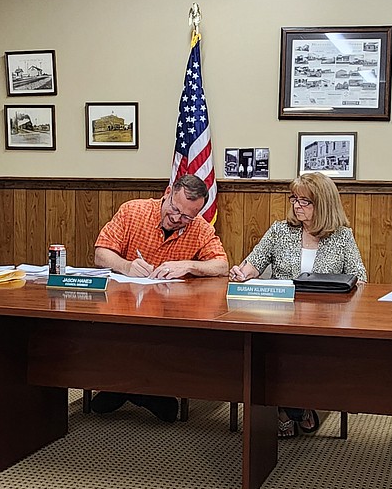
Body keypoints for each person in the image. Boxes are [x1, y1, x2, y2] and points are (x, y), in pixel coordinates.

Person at [229, 172, 367, 438]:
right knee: (270, 348)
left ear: (324, 204)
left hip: (324, 319)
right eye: (295, 199)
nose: (297, 206)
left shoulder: (341, 236)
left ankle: (291, 409)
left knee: (305, 354)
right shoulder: (281, 230)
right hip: (281, 316)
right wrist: (242, 272)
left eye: (306, 201)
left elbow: (360, 278)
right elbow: (253, 264)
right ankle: (293, 410)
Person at [89, 174, 229, 419]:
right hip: (123, 305)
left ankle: (133, 389)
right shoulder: (133, 211)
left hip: (170, 311)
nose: (176, 218)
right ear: (167, 192)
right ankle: (131, 389)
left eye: (186, 216)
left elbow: (222, 266)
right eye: (174, 208)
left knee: (168, 337)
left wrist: (188, 265)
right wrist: (126, 265)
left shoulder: (200, 228)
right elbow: (101, 255)